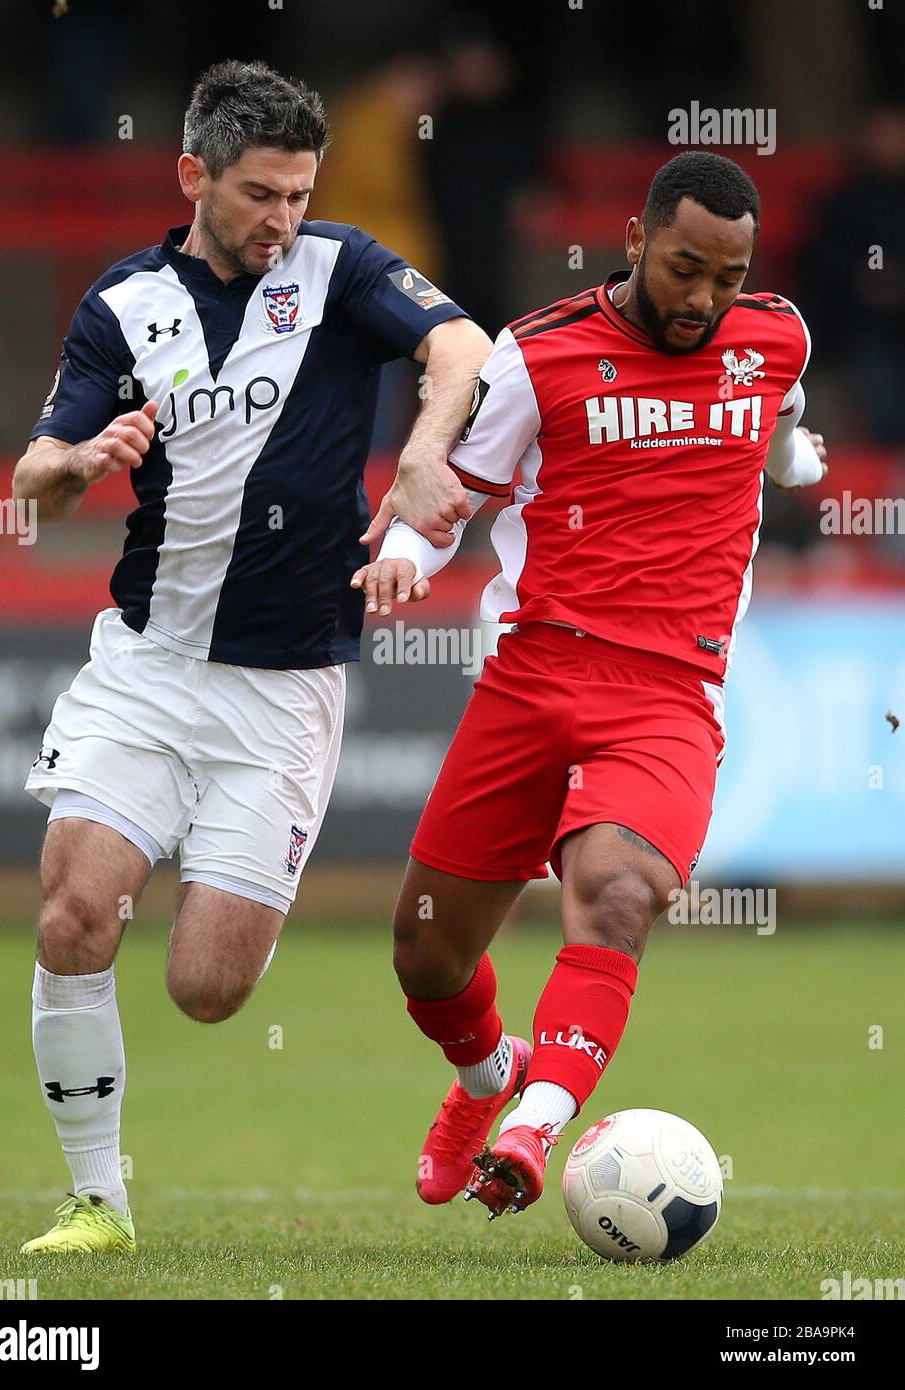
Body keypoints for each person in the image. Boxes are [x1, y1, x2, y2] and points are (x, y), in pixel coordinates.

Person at [11, 59, 491, 1254]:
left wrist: (426, 457)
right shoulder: (123, 307)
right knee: (74, 912)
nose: (284, 219)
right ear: (194, 176)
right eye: (262, 195)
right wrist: (76, 466)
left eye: (298, 193)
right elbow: (33, 483)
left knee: (207, 990)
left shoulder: (343, 268)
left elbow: (466, 349)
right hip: (149, 664)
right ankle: (95, 1202)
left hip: (283, 694)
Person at [355, 151, 828, 1221]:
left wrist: (797, 462)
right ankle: (489, 1079)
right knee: (426, 954)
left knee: (616, 892)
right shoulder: (540, 353)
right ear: (634, 242)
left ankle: (537, 1126)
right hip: (532, 675)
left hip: (670, 691)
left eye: (729, 276)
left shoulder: (777, 335)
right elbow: (456, 496)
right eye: (684, 268)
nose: (705, 299)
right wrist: (405, 563)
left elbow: (786, 420)